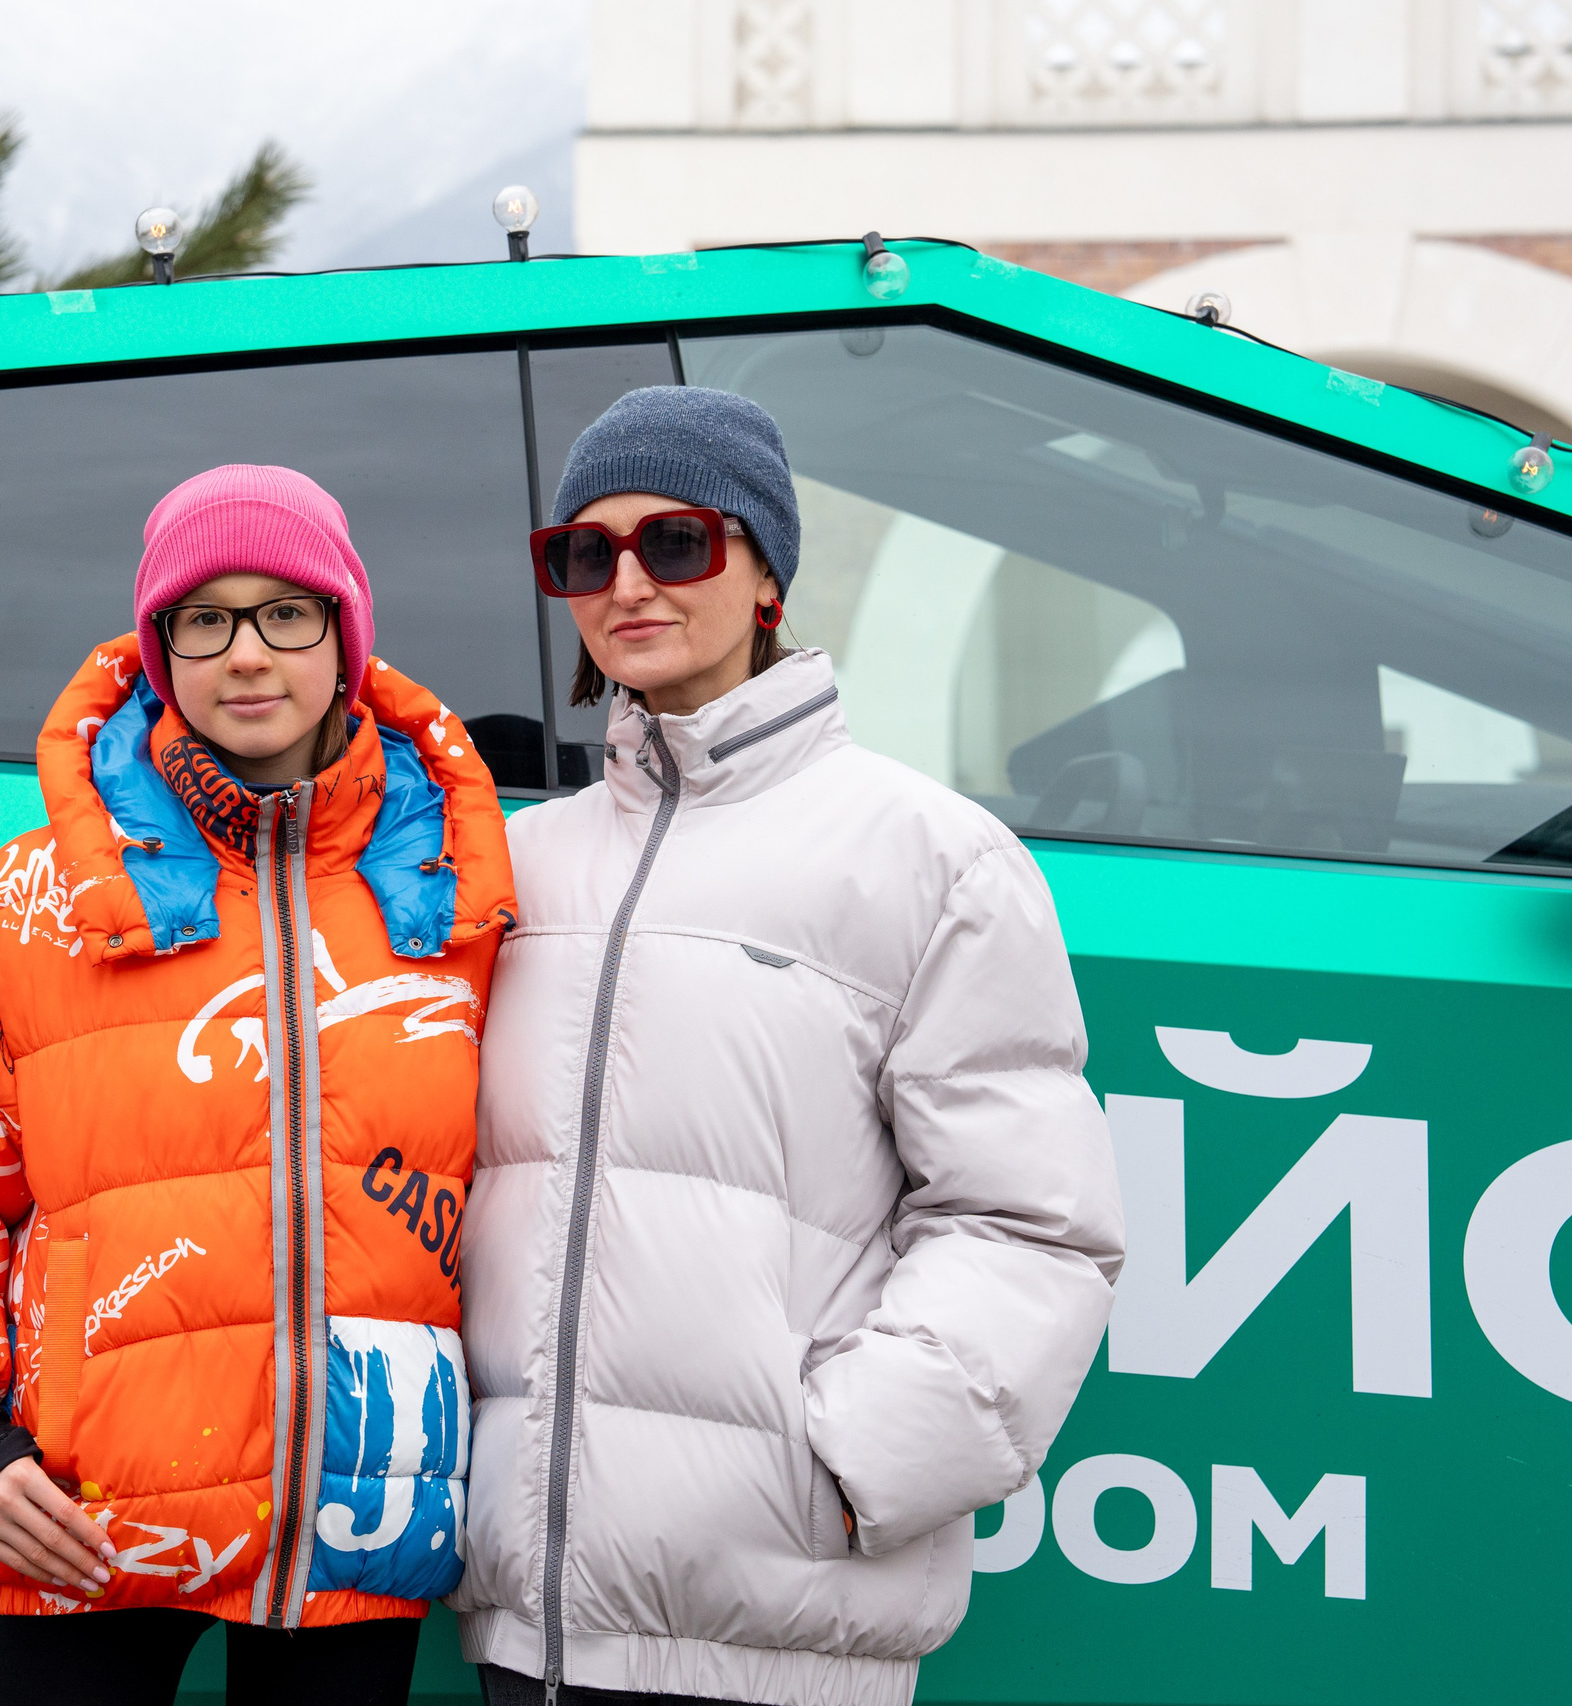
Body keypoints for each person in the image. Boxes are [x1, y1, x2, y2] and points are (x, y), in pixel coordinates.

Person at [452, 388, 1126, 1706]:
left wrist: (853, 1463)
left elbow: (1033, 1226)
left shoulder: (928, 857)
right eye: (586, 553)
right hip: (527, 1629)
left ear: (765, 569)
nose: (629, 580)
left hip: (778, 1625)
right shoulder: (517, 866)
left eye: (678, 540)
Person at [0, 464, 516, 1706]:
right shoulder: (30, 901)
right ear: (158, 645)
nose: (247, 653)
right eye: (206, 616)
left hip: (359, 1520)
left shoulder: (461, 893)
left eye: (286, 611)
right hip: (89, 1524)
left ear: (347, 636)